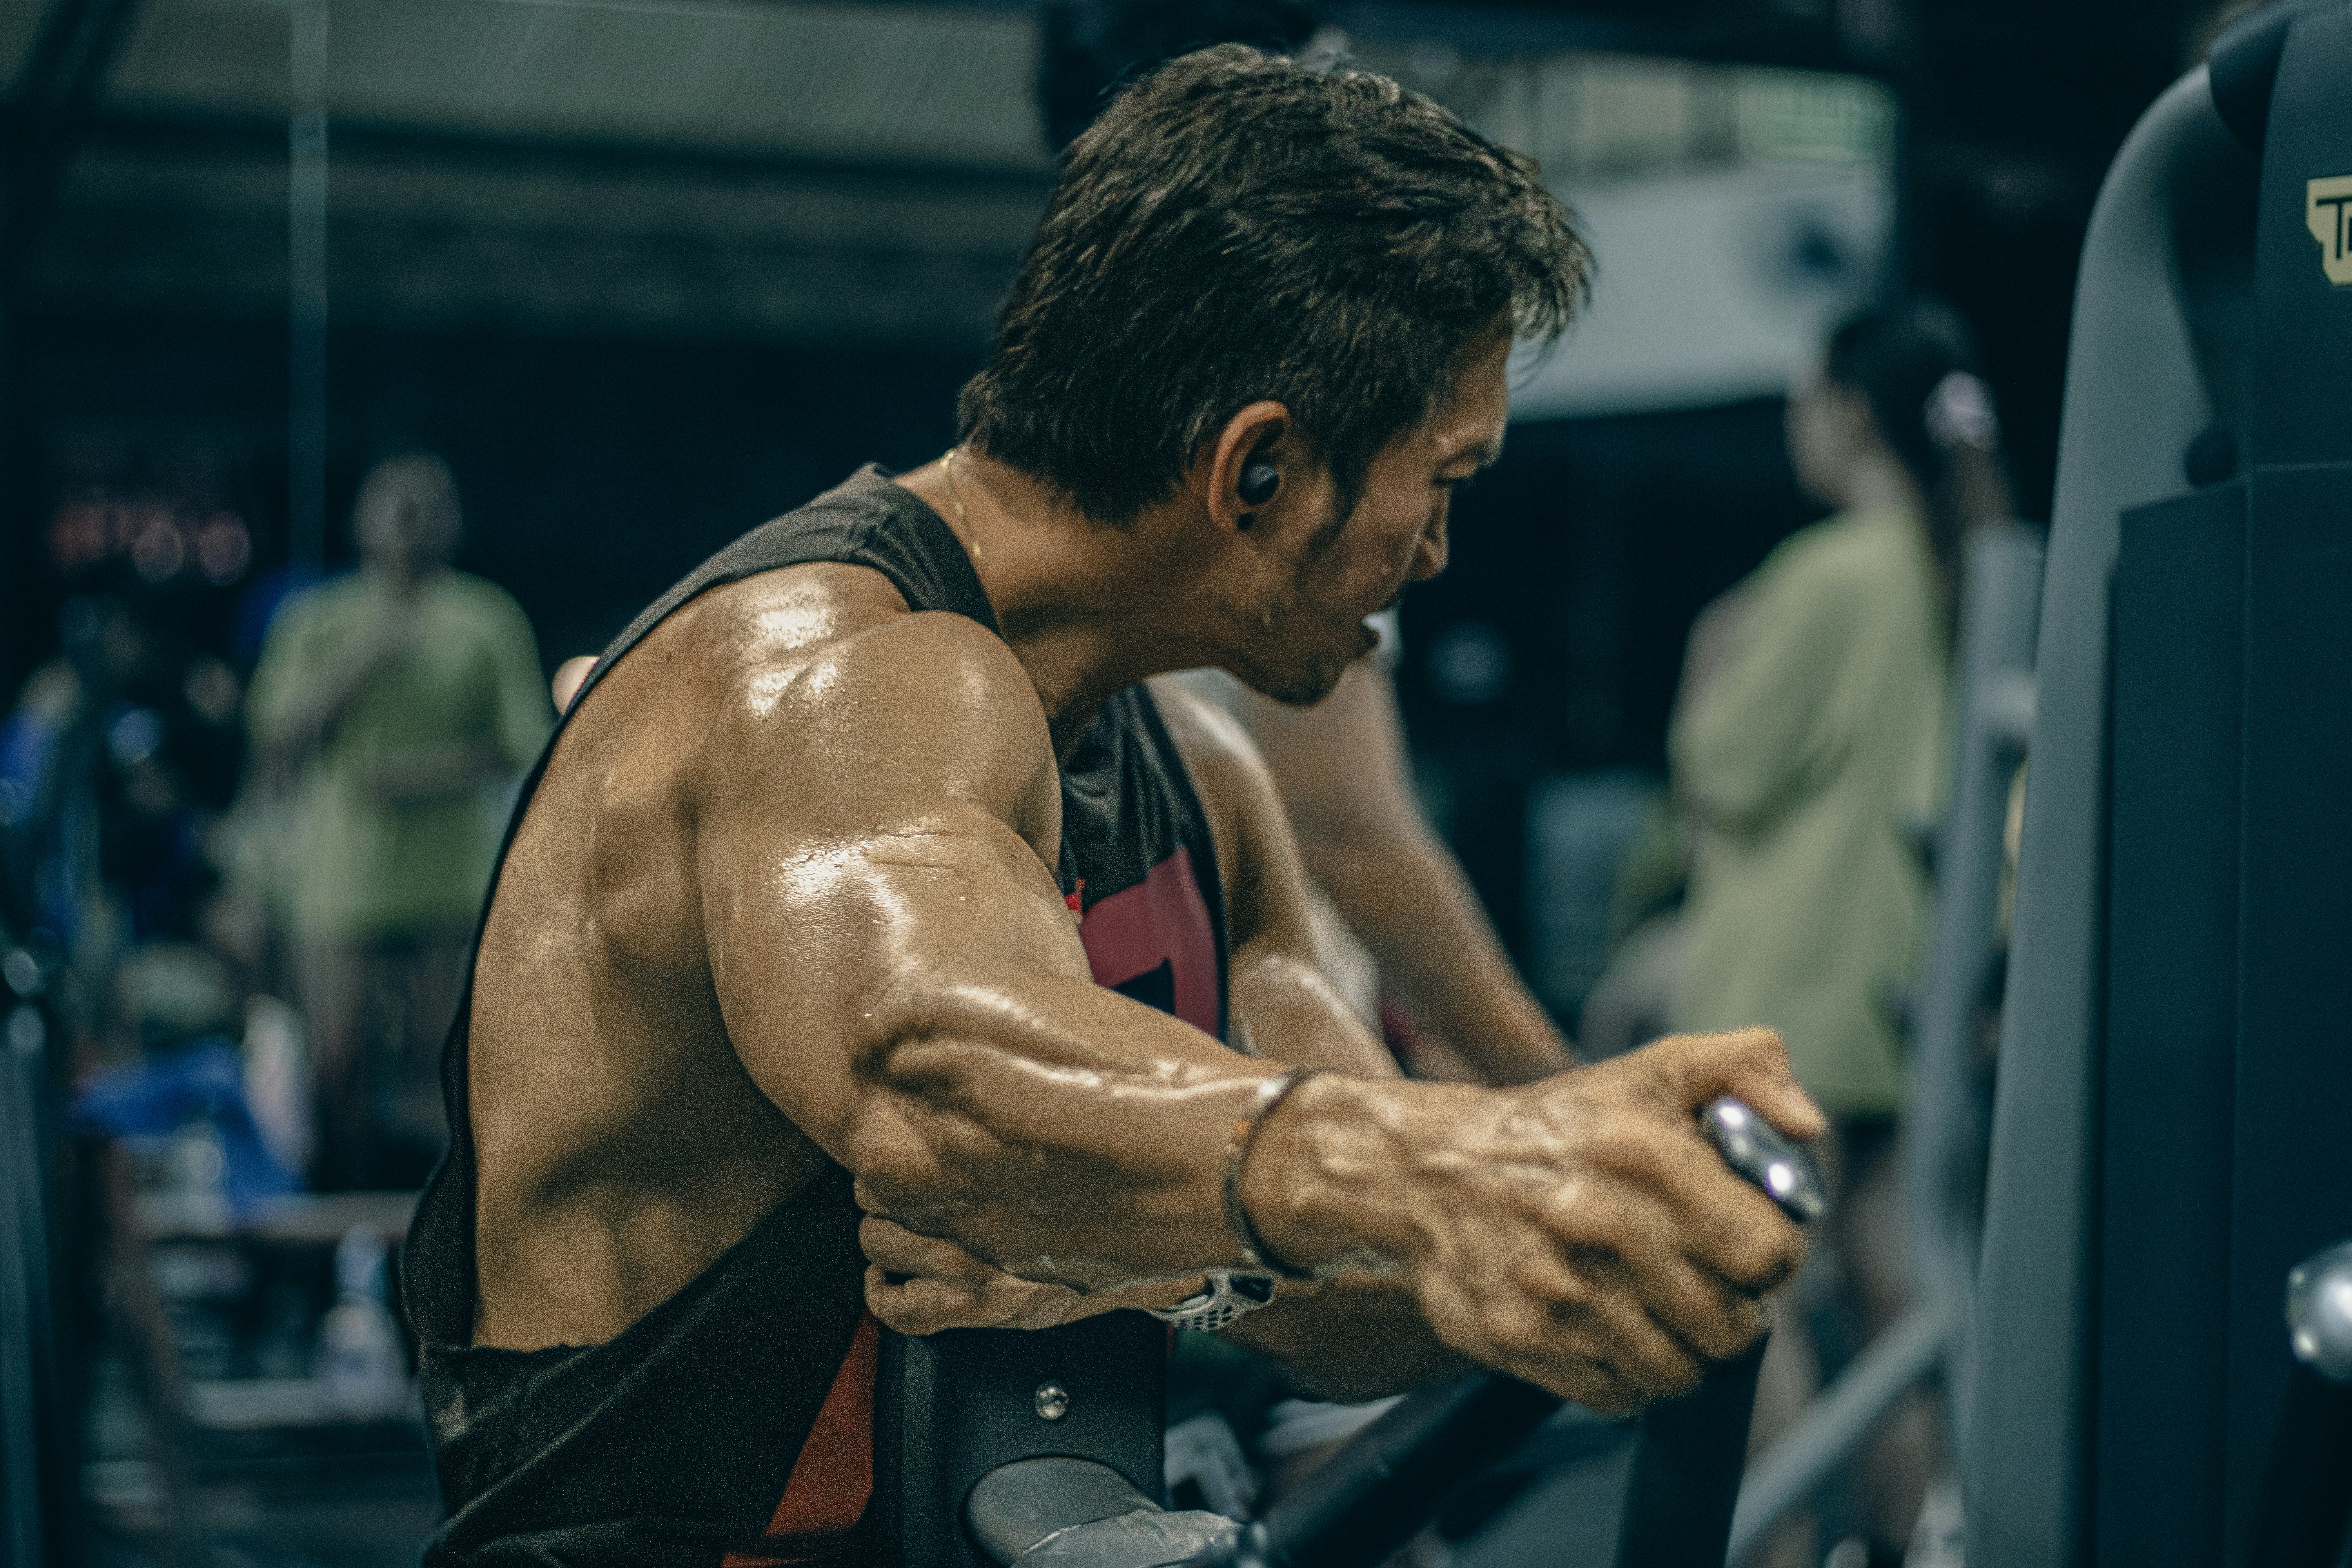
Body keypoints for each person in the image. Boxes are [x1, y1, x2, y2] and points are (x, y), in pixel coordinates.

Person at [403, 48, 1821, 1568]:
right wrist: (1435, 1171)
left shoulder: (1205, 780)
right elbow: (938, 1076)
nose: (1441, 555)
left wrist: (1537, 1199)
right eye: (1442, 480)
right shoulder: (832, 678)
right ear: (1258, 469)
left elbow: (1358, 1302)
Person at [1669, 300, 2013, 1566]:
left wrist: (1712, 663)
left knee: (1746, 1289)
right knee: (1901, 1291)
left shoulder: (1826, 574)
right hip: (1897, 988)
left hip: (1784, 991)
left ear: (1849, 414)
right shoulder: (1969, 556)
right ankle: (1923, 1536)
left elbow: (1727, 769)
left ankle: (1775, 1547)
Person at [247, 456, 549, 1191]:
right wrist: (365, 656)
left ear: (453, 519)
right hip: (341, 881)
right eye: (395, 501)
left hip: (448, 882)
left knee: (442, 1070)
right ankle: (336, 1248)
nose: (411, 516)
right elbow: (279, 735)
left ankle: (438, 1243)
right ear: (363, 516)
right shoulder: (315, 619)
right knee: (337, 1067)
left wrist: (421, 779)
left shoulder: (486, 617)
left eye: (429, 502)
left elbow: (525, 745)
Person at [1185, 635, 1575, 1085]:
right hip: (1247, 1047)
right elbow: (1344, 835)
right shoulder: (1328, 571)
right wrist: (1564, 1088)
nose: (1429, 562)